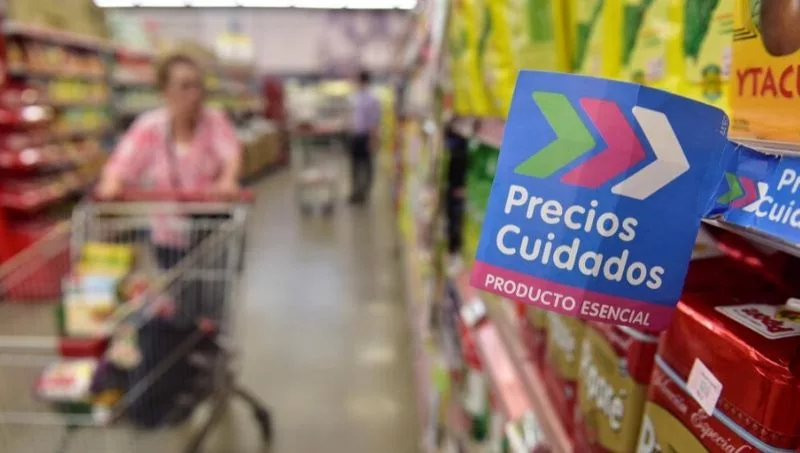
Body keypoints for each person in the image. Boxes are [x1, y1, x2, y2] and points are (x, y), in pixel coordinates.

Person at [349, 69, 382, 204]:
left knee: (366, 166)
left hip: (366, 136)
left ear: (362, 81)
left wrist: (373, 140)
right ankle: (356, 191)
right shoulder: (355, 97)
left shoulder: (372, 99)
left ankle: (364, 192)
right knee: (355, 165)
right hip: (355, 136)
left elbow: (375, 122)